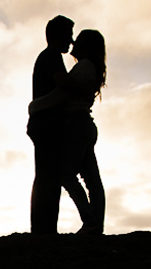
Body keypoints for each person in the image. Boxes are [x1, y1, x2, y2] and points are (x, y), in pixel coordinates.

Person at [28, 28, 107, 235]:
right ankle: (95, 226)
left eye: (78, 40)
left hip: (78, 125)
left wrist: (35, 106)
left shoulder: (84, 67)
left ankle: (90, 221)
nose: (73, 43)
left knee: (66, 175)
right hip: (84, 125)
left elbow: (62, 93)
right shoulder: (89, 67)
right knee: (92, 179)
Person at [27, 15, 74, 235]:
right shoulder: (52, 56)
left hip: (43, 123)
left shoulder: (48, 56)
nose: (71, 41)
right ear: (57, 35)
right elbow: (64, 85)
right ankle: (44, 229)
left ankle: (43, 228)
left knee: (47, 176)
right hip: (47, 124)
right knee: (49, 178)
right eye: (68, 34)